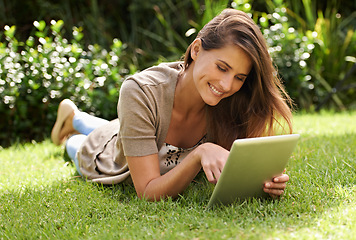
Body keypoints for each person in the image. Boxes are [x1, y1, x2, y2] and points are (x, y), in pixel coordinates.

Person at [51, 9, 293, 202]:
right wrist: (200, 152)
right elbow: (147, 191)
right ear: (196, 50)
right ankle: (72, 123)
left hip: (132, 130)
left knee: (117, 128)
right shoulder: (140, 91)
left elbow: (236, 165)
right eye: (222, 67)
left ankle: (74, 116)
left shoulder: (233, 100)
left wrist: (263, 180)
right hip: (105, 153)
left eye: (239, 77)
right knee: (78, 145)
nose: (227, 84)